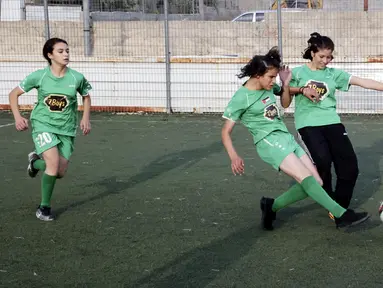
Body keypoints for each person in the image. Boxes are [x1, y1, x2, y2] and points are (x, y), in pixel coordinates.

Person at [221, 47, 370, 230]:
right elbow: (225, 131)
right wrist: (234, 156)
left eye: (275, 77)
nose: (272, 81)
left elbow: (285, 100)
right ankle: (341, 214)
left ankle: (271, 206)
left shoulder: (267, 85)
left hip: (285, 137)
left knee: (317, 182)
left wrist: (291, 86)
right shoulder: (241, 97)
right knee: (306, 178)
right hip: (269, 142)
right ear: (257, 74)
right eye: (270, 77)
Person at [281, 32, 383, 219]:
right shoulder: (296, 73)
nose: (326, 61)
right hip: (308, 125)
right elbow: (285, 103)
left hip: (333, 124)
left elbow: (362, 82)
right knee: (322, 163)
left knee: (350, 167)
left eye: (329, 57)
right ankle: (330, 202)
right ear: (312, 53)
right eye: (322, 56)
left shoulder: (333, 74)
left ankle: (338, 209)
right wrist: (295, 87)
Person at [9, 38, 92, 221]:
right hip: (43, 125)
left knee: (60, 172)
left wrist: (85, 117)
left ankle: (34, 163)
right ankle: (44, 208)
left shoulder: (76, 77)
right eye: (61, 51)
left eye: (67, 51)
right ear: (50, 55)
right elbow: (13, 94)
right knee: (53, 164)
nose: (66, 54)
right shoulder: (39, 76)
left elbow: (86, 96)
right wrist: (17, 117)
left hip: (67, 129)